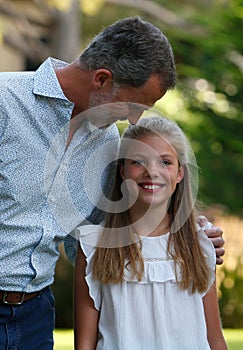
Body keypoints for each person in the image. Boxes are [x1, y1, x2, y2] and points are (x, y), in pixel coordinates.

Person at [0, 16, 224, 349]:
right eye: (134, 106)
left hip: (35, 315)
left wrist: (187, 236)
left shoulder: (106, 142)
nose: (134, 120)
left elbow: (99, 239)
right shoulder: (6, 102)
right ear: (102, 79)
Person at [74, 115, 228, 350]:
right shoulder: (93, 245)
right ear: (123, 171)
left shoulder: (200, 243)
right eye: (138, 161)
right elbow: (85, 344)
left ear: (179, 173)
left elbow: (214, 338)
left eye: (165, 162)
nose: (151, 172)